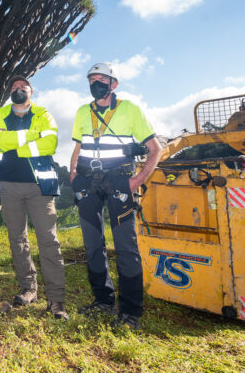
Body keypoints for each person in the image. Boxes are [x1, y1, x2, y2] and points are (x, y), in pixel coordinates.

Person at [69, 62, 162, 330]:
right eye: (91, 79)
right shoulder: (81, 111)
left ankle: (130, 312)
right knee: (92, 244)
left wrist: (137, 181)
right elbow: (78, 145)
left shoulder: (130, 109)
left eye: (101, 79)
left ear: (114, 84)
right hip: (88, 182)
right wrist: (73, 172)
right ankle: (103, 301)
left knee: (126, 247)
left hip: (119, 181)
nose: (95, 83)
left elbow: (156, 149)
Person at [0, 75, 68, 319]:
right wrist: (32, 136)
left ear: (31, 92)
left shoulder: (44, 114)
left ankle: (56, 301)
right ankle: (28, 289)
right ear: (9, 92)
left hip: (39, 188)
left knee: (49, 241)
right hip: (8, 185)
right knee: (17, 239)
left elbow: (51, 143)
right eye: (14, 87)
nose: (18, 89)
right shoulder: (0, 114)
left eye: (23, 86)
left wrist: (17, 145)